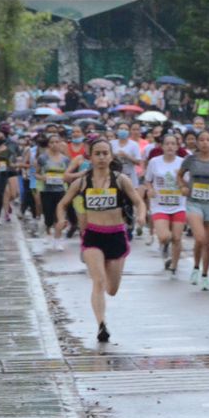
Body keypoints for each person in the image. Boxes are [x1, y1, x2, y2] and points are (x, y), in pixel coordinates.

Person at [58, 138, 144, 344]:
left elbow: (139, 201)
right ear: (90, 157)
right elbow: (63, 204)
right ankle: (101, 325)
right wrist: (61, 219)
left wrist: (141, 215)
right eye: (98, 153)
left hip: (116, 235)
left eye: (106, 153)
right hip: (93, 236)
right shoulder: (83, 182)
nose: (102, 157)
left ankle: (104, 305)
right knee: (98, 281)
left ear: (111, 156)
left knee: (111, 289)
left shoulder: (121, 180)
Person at [180, 129, 209, 291]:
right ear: (197, 143)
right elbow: (179, 176)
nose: (205, 143)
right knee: (200, 238)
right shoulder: (190, 159)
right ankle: (195, 267)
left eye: (208, 140)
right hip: (194, 203)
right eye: (202, 140)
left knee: (207, 243)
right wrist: (184, 187)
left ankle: (204, 274)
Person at [144, 131, 188, 275]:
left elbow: (188, 183)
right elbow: (148, 181)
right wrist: (150, 190)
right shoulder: (154, 162)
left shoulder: (182, 162)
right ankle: (164, 246)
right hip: (160, 205)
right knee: (164, 236)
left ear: (177, 146)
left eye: (173, 144)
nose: (170, 146)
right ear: (162, 146)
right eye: (167, 144)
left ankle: (173, 265)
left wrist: (182, 184)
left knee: (176, 237)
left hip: (178, 205)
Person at [36, 133, 73, 251]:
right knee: (48, 216)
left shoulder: (65, 159)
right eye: (52, 142)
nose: (54, 144)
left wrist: (66, 179)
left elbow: (68, 174)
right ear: (48, 144)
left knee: (60, 216)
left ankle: (58, 240)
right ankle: (48, 232)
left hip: (61, 190)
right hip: (46, 191)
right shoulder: (43, 158)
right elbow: (35, 173)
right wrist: (43, 178)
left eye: (57, 142)